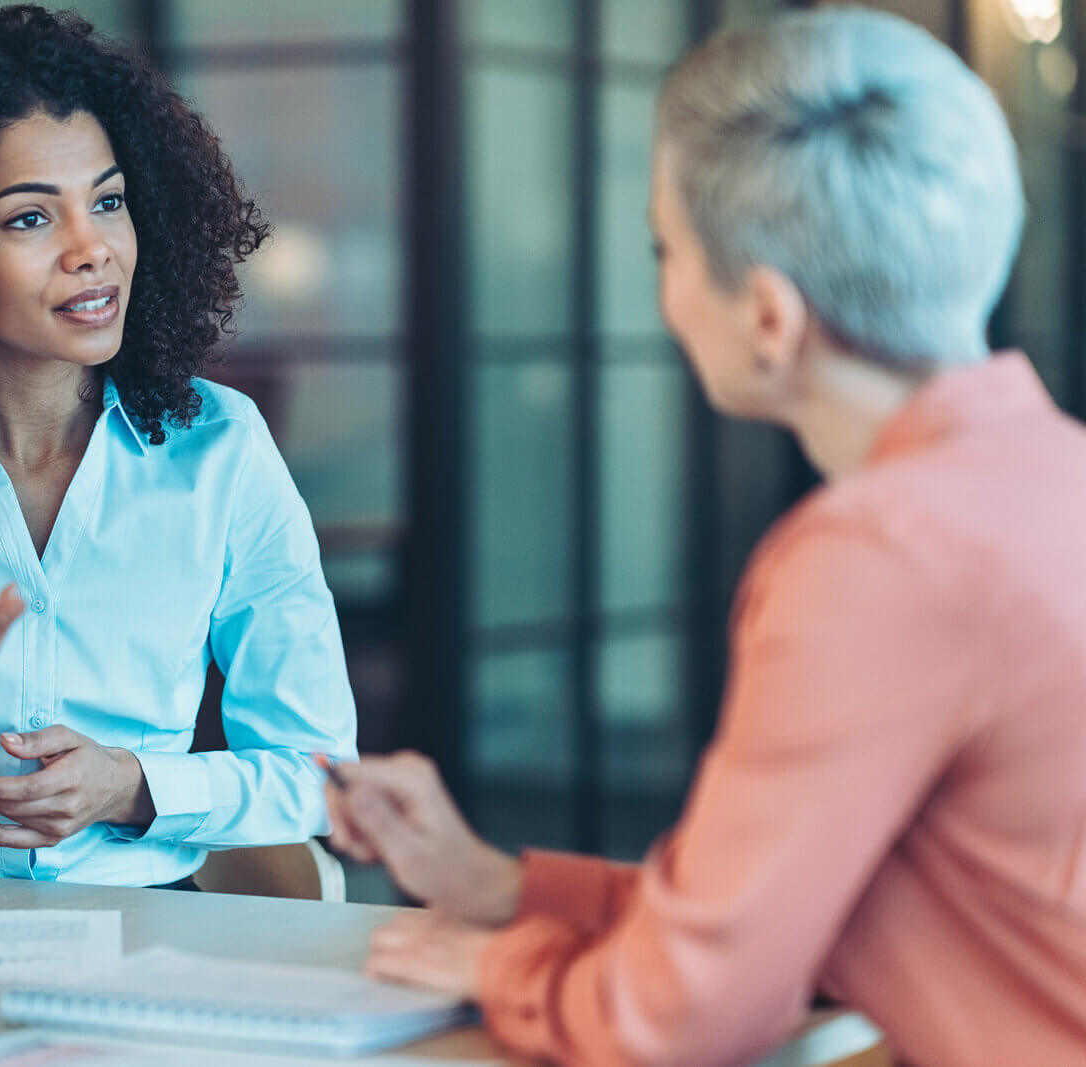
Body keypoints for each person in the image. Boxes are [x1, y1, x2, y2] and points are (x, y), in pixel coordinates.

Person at [326, 9, 1086, 1065]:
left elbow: (674, 1018)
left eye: (665, 249)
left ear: (768, 317)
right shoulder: (1057, 475)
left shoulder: (877, 555)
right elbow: (801, 912)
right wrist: (504, 886)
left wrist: (494, 965)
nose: (667, 290)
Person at [0, 2, 357, 889]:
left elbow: (320, 771)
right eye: (31, 219)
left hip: (148, 935)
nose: (94, 251)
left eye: (108, 203)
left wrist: (135, 785)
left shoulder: (223, 449)